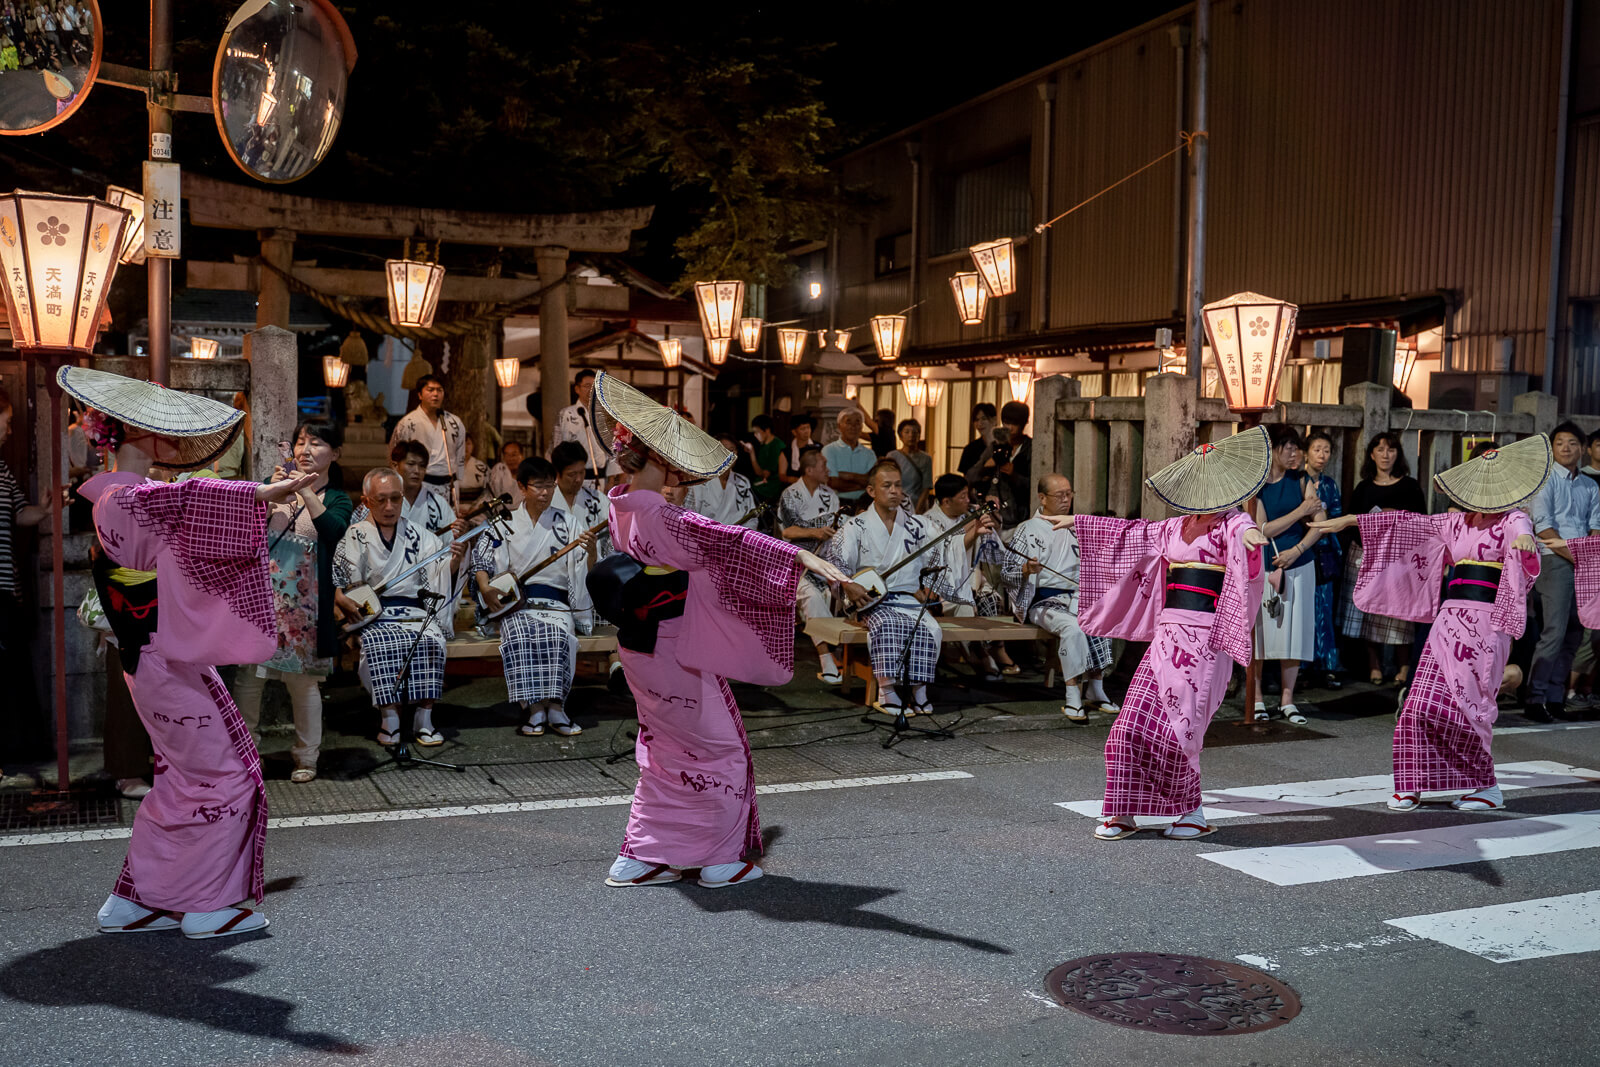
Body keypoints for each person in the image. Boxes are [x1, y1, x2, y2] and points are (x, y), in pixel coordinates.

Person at [61, 366, 313, 939]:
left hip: (146, 655)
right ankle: (207, 904)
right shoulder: (135, 500)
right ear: (137, 435)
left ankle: (136, 899)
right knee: (229, 774)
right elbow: (190, 502)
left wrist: (256, 506)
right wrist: (259, 493)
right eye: (161, 430)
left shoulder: (115, 500)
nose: (174, 442)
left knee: (180, 774)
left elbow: (187, 512)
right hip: (165, 658)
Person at [589, 371, 847, 889]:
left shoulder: (620, 506)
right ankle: (717, 859)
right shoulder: (665, 515)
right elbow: (731, 543)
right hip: (675, 649)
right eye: (672, 461)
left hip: (640, 648)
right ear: (660, 461)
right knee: (722, 750)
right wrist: (802, 558)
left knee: (662, 751)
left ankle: (641, 854)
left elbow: (716, 541)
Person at [1312, 435, 1546, 811]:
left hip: (1488, 624)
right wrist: (1354, 520)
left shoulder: (1513, 519)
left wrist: (1525, 544)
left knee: (1471, 705)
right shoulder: (1456, 522)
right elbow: (1408, 524)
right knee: (1419, 702)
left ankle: (1485, 786)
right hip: (1448, 620)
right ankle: (1410, 783)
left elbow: (1523, 534)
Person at [1056, 428, 1269, 842]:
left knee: (1180, 729)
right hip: (1167, 635)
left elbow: (1247, 539)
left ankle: (1190, 812)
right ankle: (1122, 811)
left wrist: (1251, 537)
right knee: (1128, 727)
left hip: (1205, 640)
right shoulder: (1175, 527)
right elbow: (1130, 533)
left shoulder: (1233, 521)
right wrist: (1080, 523)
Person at [232, 420, 354, 784]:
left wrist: (307, 490)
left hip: (308, 609)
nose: (305, 450)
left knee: (303, 685)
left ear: (335, 453)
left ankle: (306, 757)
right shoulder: (278, 487)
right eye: (301, 442)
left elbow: (333, 532)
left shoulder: (338, 498)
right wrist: (271, 493)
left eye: (316, 443)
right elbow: (248, 531)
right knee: (249, 680)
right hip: (264, 599)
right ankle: (247, 754)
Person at [827, 462, 992, 716]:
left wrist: (973, 533)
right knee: (888, 624)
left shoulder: (916, 525)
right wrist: (849, 586)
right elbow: (836, 562)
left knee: (931, 628)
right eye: (887, 486)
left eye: (898, 485)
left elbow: (946, 549)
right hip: (872, 601)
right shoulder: (855, 527)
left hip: (908, 599)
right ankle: (887, 690)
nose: (895, 491)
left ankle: (919, 690)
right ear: (871, 491)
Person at [333, 468, 466, 748]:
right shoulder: (355, 535)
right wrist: (350, 598)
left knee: (432, 640)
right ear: (366, 501)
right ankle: (389, 716)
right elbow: (347, 582)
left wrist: (453, 563)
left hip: (416, 612)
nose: (390, 507)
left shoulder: (420, 535)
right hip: (375, 615)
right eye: (381, 500)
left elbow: (437, 573)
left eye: (396, 498)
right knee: (381, 643)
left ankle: (424, 716)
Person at [473, 457, 596, 737]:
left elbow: (583, 567)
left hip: (556, 603)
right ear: (521, 487)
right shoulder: (504, 523)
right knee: (521, 634)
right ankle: (533, 708)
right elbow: (481, 560)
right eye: (538, 486)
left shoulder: (568, 523)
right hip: (517, 604)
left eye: (550, 486)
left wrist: (590, 552)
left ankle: (556, 706)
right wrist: (485, 587)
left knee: (560, 635)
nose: (545, 492)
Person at [1003, 474, 1116, 721]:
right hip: (1044, 601)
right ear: (1042, 498)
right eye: (1059, 495)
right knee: (1073, 628)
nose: (1066, 499)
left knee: (1103, 619)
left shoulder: (1077, 526)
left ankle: (1096, 689)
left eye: (1069, 494)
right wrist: (1026, 569)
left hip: (1077, 596)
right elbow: (1007, 571)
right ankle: (1072, 694)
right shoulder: (1028, 529)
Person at [1524, 422, 1600, 722]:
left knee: (1575, 632)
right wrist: (1577, 556)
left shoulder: (1590, 486)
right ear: (1552, 448)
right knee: (1553, 632)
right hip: (1554, 558)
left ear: (1582, 448)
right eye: (1560, 443)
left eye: (1572, 443)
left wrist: (1590, 558)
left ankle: (1556, 698)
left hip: (1585, 560)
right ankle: (1535, 697)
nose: (1566, 448)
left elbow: (1596, 526)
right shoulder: (1544, 482)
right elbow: (1543, 527)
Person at [1250, 426, 1325, 725]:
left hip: (1299, 562)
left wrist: (1297, 549)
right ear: (1273, 449)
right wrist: (1300, 512)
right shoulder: (1257, 486)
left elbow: (1320, 523)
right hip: (1265, 564)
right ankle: (1255, 698)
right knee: (1260, 635)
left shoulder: (1302, 479)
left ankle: (1287, 700)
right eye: (1287, 447)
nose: (1294, 453)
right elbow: (1262, 528)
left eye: (1296, 448)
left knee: (1294, 633)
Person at [1338, 432, 1426, 684]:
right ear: (1371, 454)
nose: (1385, 455)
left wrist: (1394, 516)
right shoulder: (1363, 488)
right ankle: (1374, 666)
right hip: (1366, 556)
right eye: (1380, 449)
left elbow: (1421, 521)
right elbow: (1351, 523)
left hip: (1400, 559)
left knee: (1400, 615)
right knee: (1369, 611)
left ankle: (1404, 666)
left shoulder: (1409, 486)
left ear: (1397, 454)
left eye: (1391, 449)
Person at [925, 473, 1018, 679]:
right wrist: (973, 529)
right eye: (963, 496)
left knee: (991, 598)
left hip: (971, 579)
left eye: (969, 495)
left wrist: (991, 515)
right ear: (946, 501)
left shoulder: (970, 514)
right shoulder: (928, 522)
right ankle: (978, 656)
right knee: (965, 606)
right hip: (941, 587)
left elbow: (994, 553)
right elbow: (947, 550)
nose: (968, 501)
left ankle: (994, 649)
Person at [0, 388, 49, 771]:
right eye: (6, 420)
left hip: (6, 586)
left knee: (11, 670)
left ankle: (15, 750)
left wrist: (48, 508)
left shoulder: (1, 468)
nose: (8, 429)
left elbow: (21, 514)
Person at [779, 446, 843, 683]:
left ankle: (841, 652)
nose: (828, 469)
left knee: (842, 592)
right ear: (809, 469)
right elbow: (787, 530)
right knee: (813, 597)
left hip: (828, 560)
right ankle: (826, 656)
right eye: (823, 465)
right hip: (797, 563)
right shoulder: (790, 495)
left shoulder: (830, 495)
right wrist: (816, 532)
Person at [1303, 430, 1345, 688]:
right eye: (1317, 449)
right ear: (1307, 452)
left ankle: (1328, 664)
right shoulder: (1297, 480)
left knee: (1325, 610)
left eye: (1326, 450)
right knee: (1304, 610)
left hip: (1326, 551)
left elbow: (1338, 516)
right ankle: (1303, 666)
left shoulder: (1330, 484)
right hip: (1303, 549)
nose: (1322, 455)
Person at [388, 374, 466, 510]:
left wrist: (458, 478)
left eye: (439, 390)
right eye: (430, 390)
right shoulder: (407, 423)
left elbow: (460, 453)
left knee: (448, 525)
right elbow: (394, 455)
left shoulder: (454, 422)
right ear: (419, 395)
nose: (435, 394)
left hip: (448, 484)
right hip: (419, 483)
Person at [552, 369, 620, 487]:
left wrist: (612, 479)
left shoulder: (605, 416)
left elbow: (612, 449)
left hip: (600, 479)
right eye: (587, 386)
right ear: (577, 389)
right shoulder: (566, 414)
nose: (591, 390)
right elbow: (557, 447)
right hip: (573, 479)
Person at [684, 433, 759, 528]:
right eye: (722, 450)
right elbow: (690, 516)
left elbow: (752, 517)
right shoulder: (700, 481)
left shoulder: (742, 482)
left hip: (737, 538)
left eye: (732, 450)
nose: (728, 455)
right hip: (707, 537)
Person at [821, 408, 875, 506]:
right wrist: (862, 483)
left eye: (857, 423)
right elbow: (833, 483)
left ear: (862, 427)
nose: (853, 427)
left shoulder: (869, 454)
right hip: (837, 503)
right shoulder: (829, 450)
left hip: (865, 504)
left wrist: (850, 476)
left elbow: (873, 483)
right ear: (839, 426)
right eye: (848, 422)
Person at [890, 418, 934, 514]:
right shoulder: (892, 456)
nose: (911, 435)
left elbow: (926, 487)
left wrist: (917, 511)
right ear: (900, 436)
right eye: (907, 432)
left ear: (919, 436)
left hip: (917, 504)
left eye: (915, 432)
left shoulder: (926, 458)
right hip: (896, 505)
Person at [746, 415, 787, 503]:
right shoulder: (764, 445)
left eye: (757, 432)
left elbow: (764, 474)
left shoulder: (776, 445)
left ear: (767, 430)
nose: (755, 435)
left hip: (769, 489)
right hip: (760, 485)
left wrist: (752, 453)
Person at [958, 403, 998, 488]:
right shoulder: (970, 449)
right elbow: (967, 479)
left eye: (984, 418)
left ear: (994, 420)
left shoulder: (1003, 445)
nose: (979, 423)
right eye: (976, 420)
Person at [456, 435, 491, 510]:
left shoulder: (482, 467)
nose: (465, 447)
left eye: (468, 444)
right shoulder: (450, 467)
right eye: (461, 444)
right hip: (453, 510)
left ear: (473, 446)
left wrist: (475, 508)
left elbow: (487, 492)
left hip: (477, 510)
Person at [784, 416, 816, 482]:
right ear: (794, 432)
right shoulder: (787, 451)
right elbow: (782, 475)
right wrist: (796, 480)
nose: (806, 431)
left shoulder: (817, 447)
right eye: (803, 429)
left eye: (808, 428)